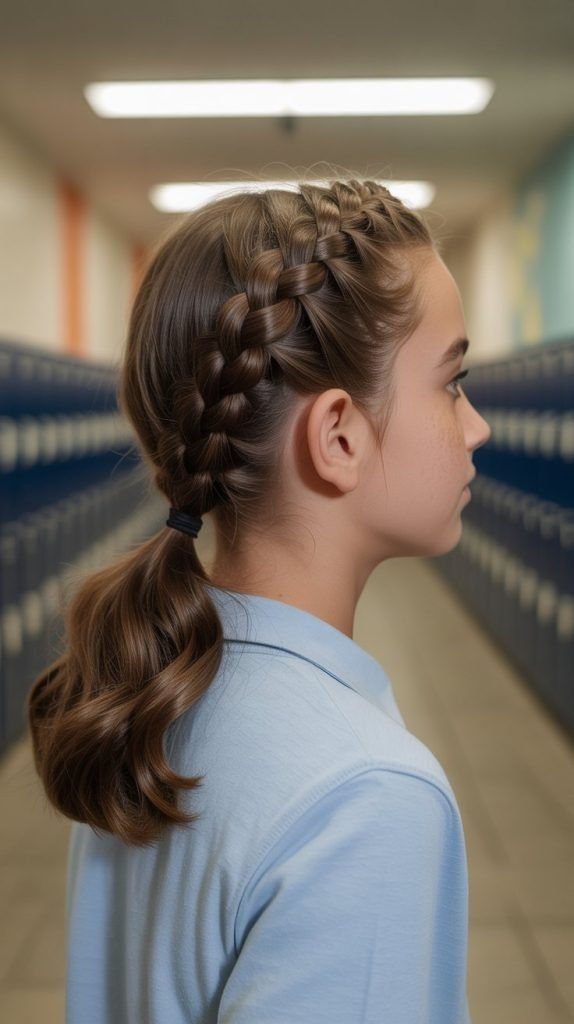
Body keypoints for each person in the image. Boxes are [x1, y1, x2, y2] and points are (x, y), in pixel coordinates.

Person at [28, 178, 491, 1023]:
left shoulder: (151, 699)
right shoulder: (369, 798)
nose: (477, 426)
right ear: (339, 435)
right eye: (451, 382)